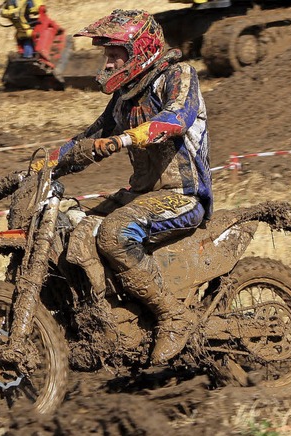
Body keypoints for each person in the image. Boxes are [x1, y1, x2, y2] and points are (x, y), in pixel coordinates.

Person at [44, 9, 213, 364]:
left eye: (114, 53)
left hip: (182, 195)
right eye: (106, 54)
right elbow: (87, 141)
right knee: (75, 230)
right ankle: (110, 315)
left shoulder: (178, 75)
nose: (108, 61)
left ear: (140, 49)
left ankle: (173, 316)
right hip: (142, 195)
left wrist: (126, 139)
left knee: (114, 233)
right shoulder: (123, 98)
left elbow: (175, 119)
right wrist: (43, 165)